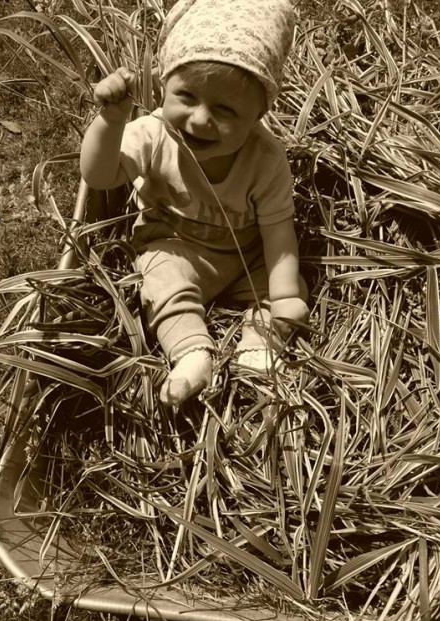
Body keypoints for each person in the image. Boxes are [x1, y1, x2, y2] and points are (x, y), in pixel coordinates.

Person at [80, 0, 309, 407]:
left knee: (280, 287)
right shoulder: (152, 135)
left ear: (259, 114)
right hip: (174, 246)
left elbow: (278, 235)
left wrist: (286, 295)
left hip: (246, 258)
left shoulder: (266, 160)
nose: (200, 119)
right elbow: (98, 178)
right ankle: (190, 354)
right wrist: (111, 123)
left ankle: (258, 348)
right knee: (162, 281)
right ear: (164, 87)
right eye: (186, 96)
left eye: (225, 110)